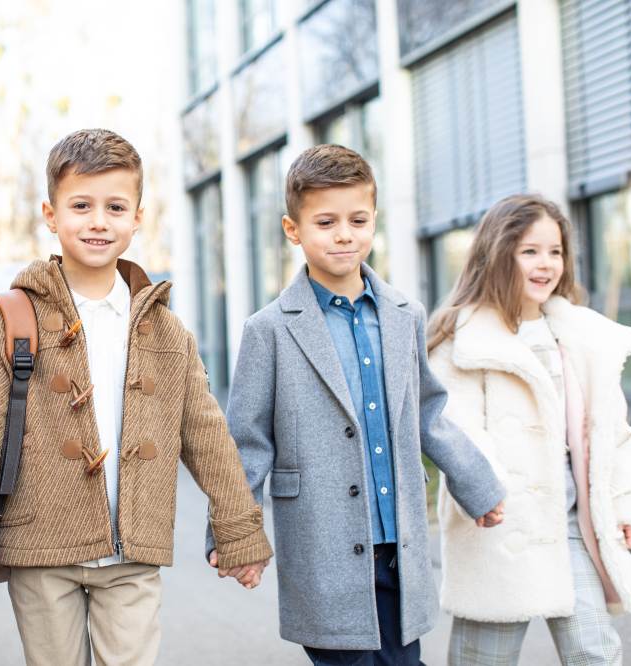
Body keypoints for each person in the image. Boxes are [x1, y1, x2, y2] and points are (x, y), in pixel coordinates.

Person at [0, 128, 272, 666]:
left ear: (137, 217)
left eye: (115, 206)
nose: (98, 221)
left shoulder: (165, 332)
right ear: (51, 214)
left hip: (133, 551)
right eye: (81, 205)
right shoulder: (10, 322)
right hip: (40, 549)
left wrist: (238, 530)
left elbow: (207, 436)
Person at [219, 144, 505, 665]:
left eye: (358, 219)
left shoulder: (403, 315)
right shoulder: (269, 330)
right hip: (322, 547)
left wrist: (477, 486)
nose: (344, 234)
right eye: (325, 222)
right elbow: (247, 443)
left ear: (375, 221)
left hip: (401, 546)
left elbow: (429, 413)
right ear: (293, 230)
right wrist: (235, 535)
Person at [427, 193, 631, 665]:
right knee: (483, 660)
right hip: (501, 529)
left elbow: (611, 430)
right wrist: (485, 492)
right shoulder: (463, 340)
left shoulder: (582, 337)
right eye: (530, 251)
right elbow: (454, 430)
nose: (546, 264)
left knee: (596, 652)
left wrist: (625, 503)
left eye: (555, 252)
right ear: (497, 254)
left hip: (571, 528)